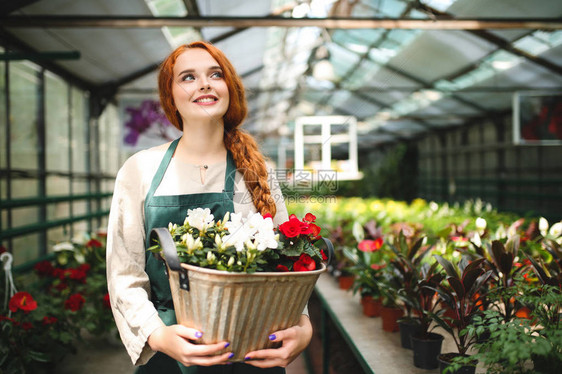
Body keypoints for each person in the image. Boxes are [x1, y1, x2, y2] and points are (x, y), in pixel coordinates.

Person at [106, 41, 313, 374]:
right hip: (171, 355)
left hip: (253, 351)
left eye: (215, 74)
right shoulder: (140, 169)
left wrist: (302, 326)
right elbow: (124, 274)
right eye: (188, 77)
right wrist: (158, 336)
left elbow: (285, 267)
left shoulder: (257, 170)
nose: (204, 83)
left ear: (228, 88)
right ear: (170, 97)